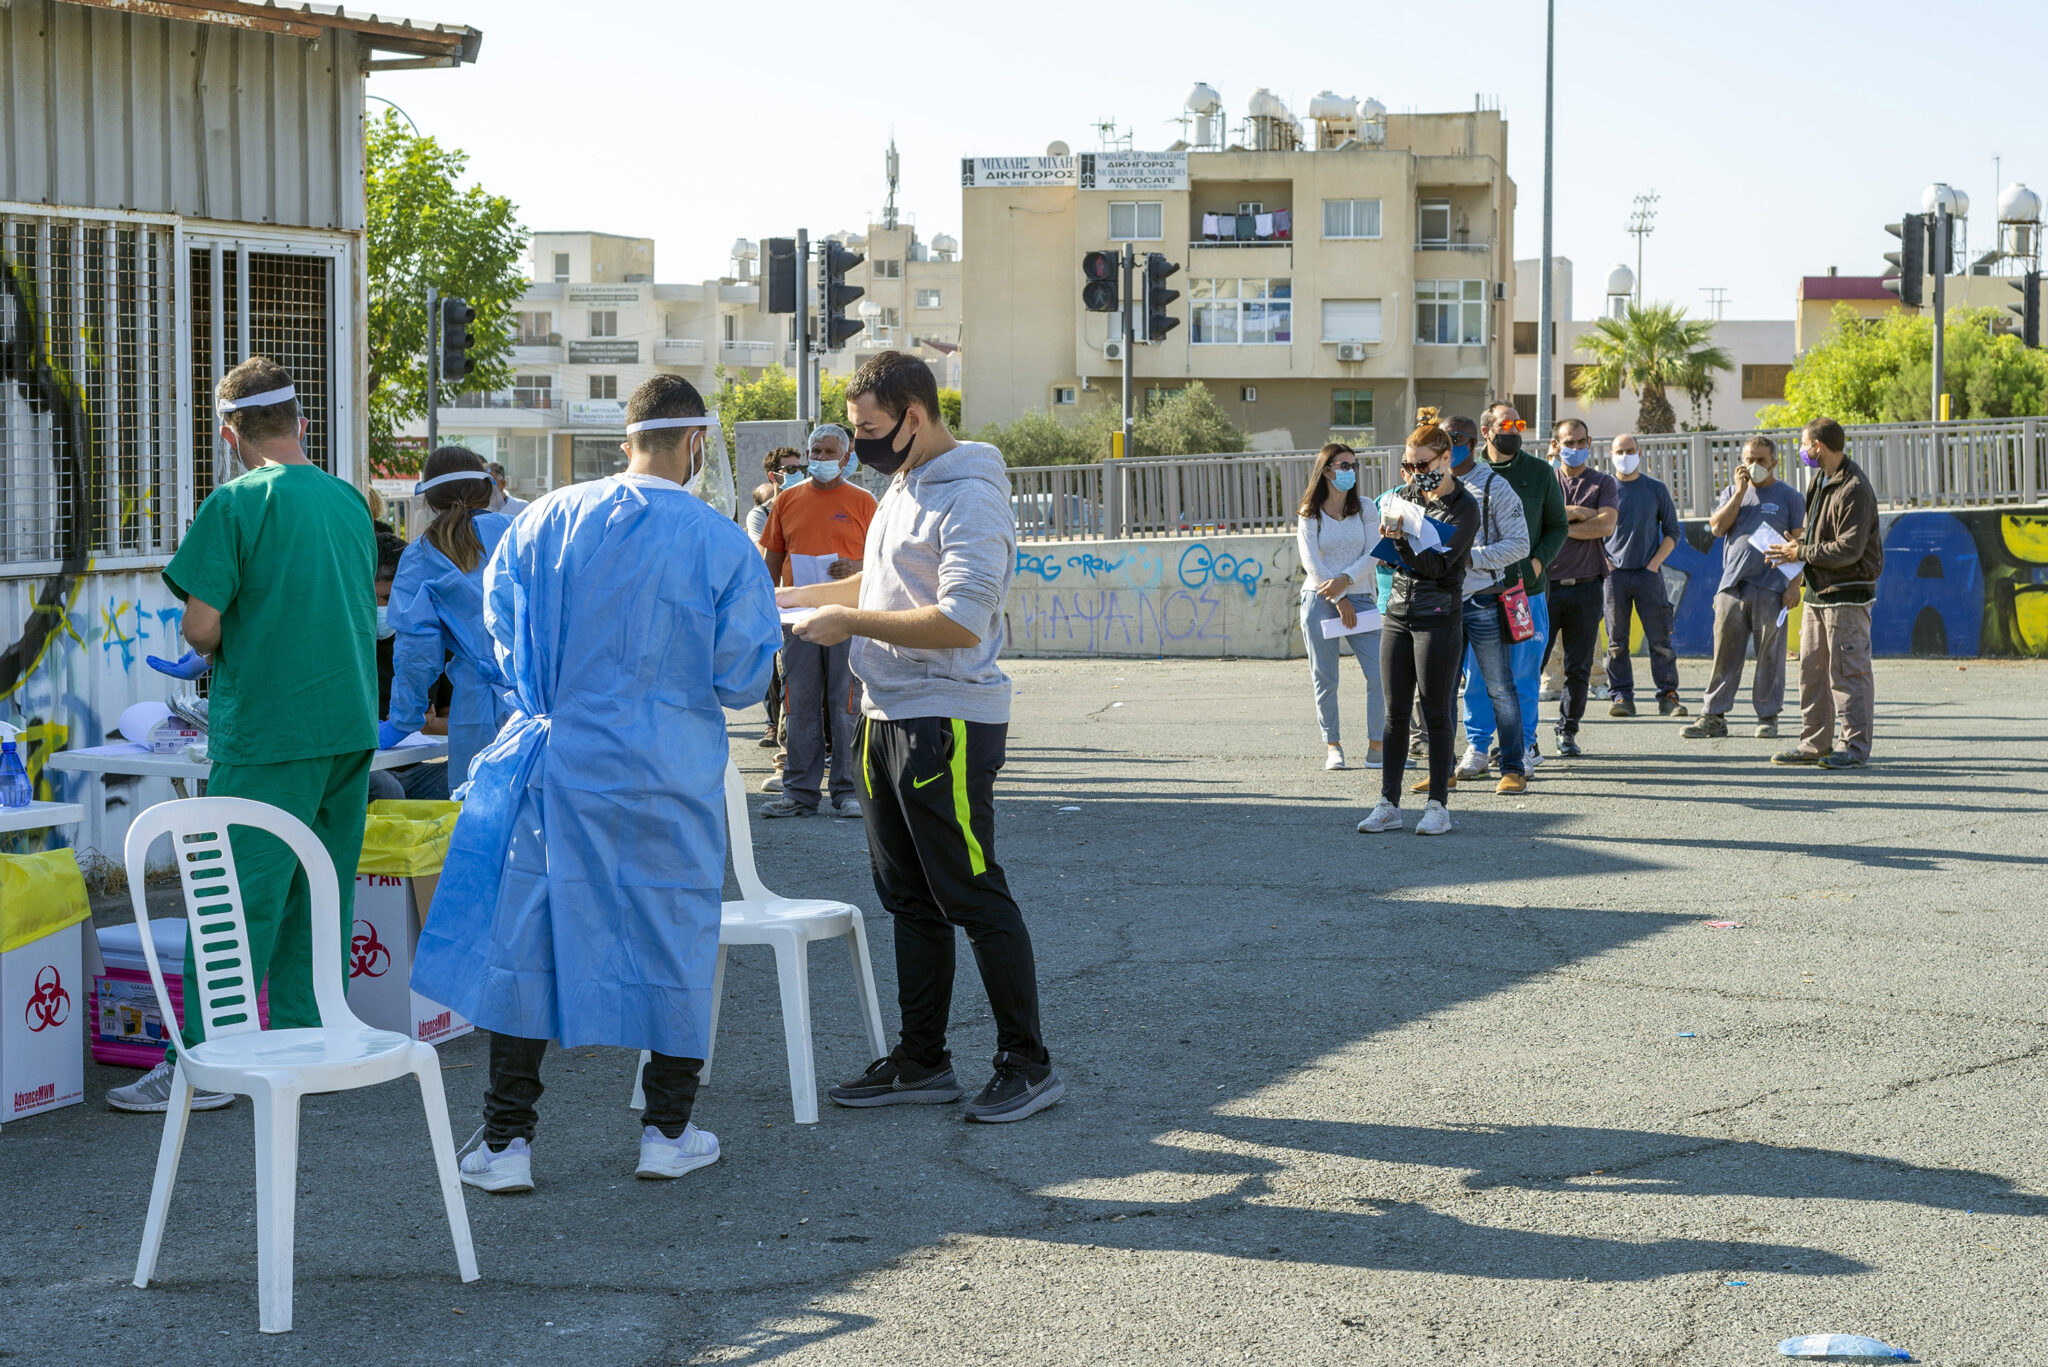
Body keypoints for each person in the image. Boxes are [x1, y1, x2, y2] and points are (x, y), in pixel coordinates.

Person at [412, 375, 780, 1191]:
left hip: (559, 765)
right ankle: (666, 1129)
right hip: (668, 771)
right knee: (675, 930)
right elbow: (743, 675)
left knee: (528, 939)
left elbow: (501, 640)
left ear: (628, 435)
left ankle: (507, 1143)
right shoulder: (718, 540)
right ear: (693, 444)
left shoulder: (543, 519)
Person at [778, 349, 1061, 1124]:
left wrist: (848, 623)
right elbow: (874, 588)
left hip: (947, 719)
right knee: (908, 897)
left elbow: (962, 618)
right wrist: (784, 596)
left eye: (869, 430)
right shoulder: (900, 486)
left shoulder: (971, 495)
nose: (857, 446)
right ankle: (922, 1058)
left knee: (970, 889)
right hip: (884, 713)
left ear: (916, 415)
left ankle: (1027, 1063)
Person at [110, 356, 379, 1114]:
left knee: (233, 902)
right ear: (301, 421)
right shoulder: (348, 502)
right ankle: (312, 1048)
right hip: (347, 727)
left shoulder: (235, 503)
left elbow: (200, 624)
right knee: (318, 894)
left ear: (230, 434)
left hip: (269, 730)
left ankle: (207, 1065)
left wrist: (217, 637)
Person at [1357, 409, 1481, 837]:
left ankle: (1437, 806)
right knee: (1395, 714)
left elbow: (1442, 569)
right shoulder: (1404, 497)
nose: (1414, 473)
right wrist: (1393, 540)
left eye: (1422, 465)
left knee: (1436, 712)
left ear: (1445, 458)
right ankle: (1388, 803)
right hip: (1397, 612)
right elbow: (1391, 555)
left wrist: (1403, 545)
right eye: (1408, 465)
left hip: (1439, 616)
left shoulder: (1465, 507)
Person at [378, 446, 515, 793]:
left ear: (430, 499)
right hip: (543, 703)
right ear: (487, 488)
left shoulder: (423, 554)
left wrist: (401, 722)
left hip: (479, 709)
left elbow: (416, 652)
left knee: (480, 822)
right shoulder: (522, 533)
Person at [760, 424, 876, 819]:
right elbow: (772, 560)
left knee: (846, 704)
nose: (821, 459)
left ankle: (848, 790)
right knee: (800, 703)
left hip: (846, 619)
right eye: (816, 451)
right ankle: (799, 792)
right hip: (796, 622)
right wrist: (764, 606)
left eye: (829, 452)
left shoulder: (865, 502)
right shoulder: (788, 501)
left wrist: (856, 567)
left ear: (846, 458)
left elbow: (883, 564)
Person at [1768, 417, 1883, 770]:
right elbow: (1820, 537)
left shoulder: (1854, 487)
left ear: (1818, 446)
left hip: (1847, 595)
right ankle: (1815, 743)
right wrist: (1795, 548)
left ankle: (1853, 748)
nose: (1803, 451)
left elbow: (1849, 548)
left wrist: (1800, 553)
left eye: (1805, 445)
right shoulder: (1820, 479)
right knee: (1812, 671)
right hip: (1819, 592)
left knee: (1848, 673)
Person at [1462, 402, 1566, 775]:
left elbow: (1558, 526)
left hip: (1525, 593)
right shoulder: (1467, 475)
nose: (1515, 431)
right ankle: (1477, 746)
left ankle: (1522, 747)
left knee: (1523, 673)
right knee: (1477, 674)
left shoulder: (1539, 472)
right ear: (1487, 431)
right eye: (1506, 424)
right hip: (1478, 593)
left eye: (1519, 424)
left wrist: (1536, 564)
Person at [1683, 436, 1805, 741]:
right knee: (1724, 653)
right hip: (1733, 586)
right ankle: (1713, 716)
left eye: (1761, 460)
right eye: (1748, 459)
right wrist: (1739, 492)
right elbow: (1716, 527)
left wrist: (1794, 585)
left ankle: (1768, 717)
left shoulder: (1789, 497)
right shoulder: (1731, 492)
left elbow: (1802, 545)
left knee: (1770, 655)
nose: (1754, 466)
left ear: (1774, 462)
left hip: (1772, 587)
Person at [1442, 415, 1530, 795]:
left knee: (1499, 687)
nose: (1448, 445)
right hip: (1439, 602)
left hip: (1481, 602)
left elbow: (1520, 544)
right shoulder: (1428, 486)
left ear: (1475, 443)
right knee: (1440, 691)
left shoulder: (1495, 486)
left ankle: (1512, 767)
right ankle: (1442, 770)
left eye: (1456, 439)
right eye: (1442, 440)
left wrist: (1471, 557)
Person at [1296, 443, 1384, 772]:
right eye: (1342, 465)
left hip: (1360, 599)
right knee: (1325, 677)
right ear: (1326, 469)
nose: (1349, 471)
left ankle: (1377, 745)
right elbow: (1312, 562)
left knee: (1380, 673)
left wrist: (1346, 584)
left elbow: (1376, 551)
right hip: (1319, 600)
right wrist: (1337, 597)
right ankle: (1333, 745)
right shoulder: (1309, 512)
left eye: (1353, 466)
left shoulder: (1364, 507)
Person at [1544, 419, 1618, 757]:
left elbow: (1605, 525)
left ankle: (1567, 731)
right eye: (1567, 442)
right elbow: (1534, 527)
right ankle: (1523, 736)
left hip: (1587, 588)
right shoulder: (1545, 481)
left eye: (1579, 441)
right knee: (1532, 665)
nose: (1574, 448)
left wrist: (1558, 524)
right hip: (1544, 587)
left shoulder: (1603, 482)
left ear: (1589, 441)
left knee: (1578, 666)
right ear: (1555, 445)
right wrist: (1575, 514)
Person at [1602, 434, 1687, 718]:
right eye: (1619, 451)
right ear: (1610, 454)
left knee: (1660, 640)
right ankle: (1622, 697)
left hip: (1649, 576)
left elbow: (1673, 531)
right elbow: (1592, 534)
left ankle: (1668, 696)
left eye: (1629, 450)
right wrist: (1607, 564)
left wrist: (1654, 564)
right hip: (1614, 577)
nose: (1624, 455)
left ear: (1640, 453)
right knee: (1617, 642)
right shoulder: (1604, 490)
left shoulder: (1655, 488)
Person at [369, 528, 452, 803]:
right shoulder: (345, 646)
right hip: (367, 772)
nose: (391, 609)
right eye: (381, 599)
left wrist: (426, 724)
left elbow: (453, 720)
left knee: (463, 779)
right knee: (387, 791)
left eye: (398, 598)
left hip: (416, 769)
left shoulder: (433, 639)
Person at [757, 446, 809, 791]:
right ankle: (786, 766)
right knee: (788, 689)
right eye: (789, 469)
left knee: (834, 697)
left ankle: (840, 776)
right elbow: (767, 565)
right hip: (786, 614)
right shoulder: (765, 513)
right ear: (773, 475)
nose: (799, 471)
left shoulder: (833, 500)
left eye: (800, 466)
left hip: (828, 610)